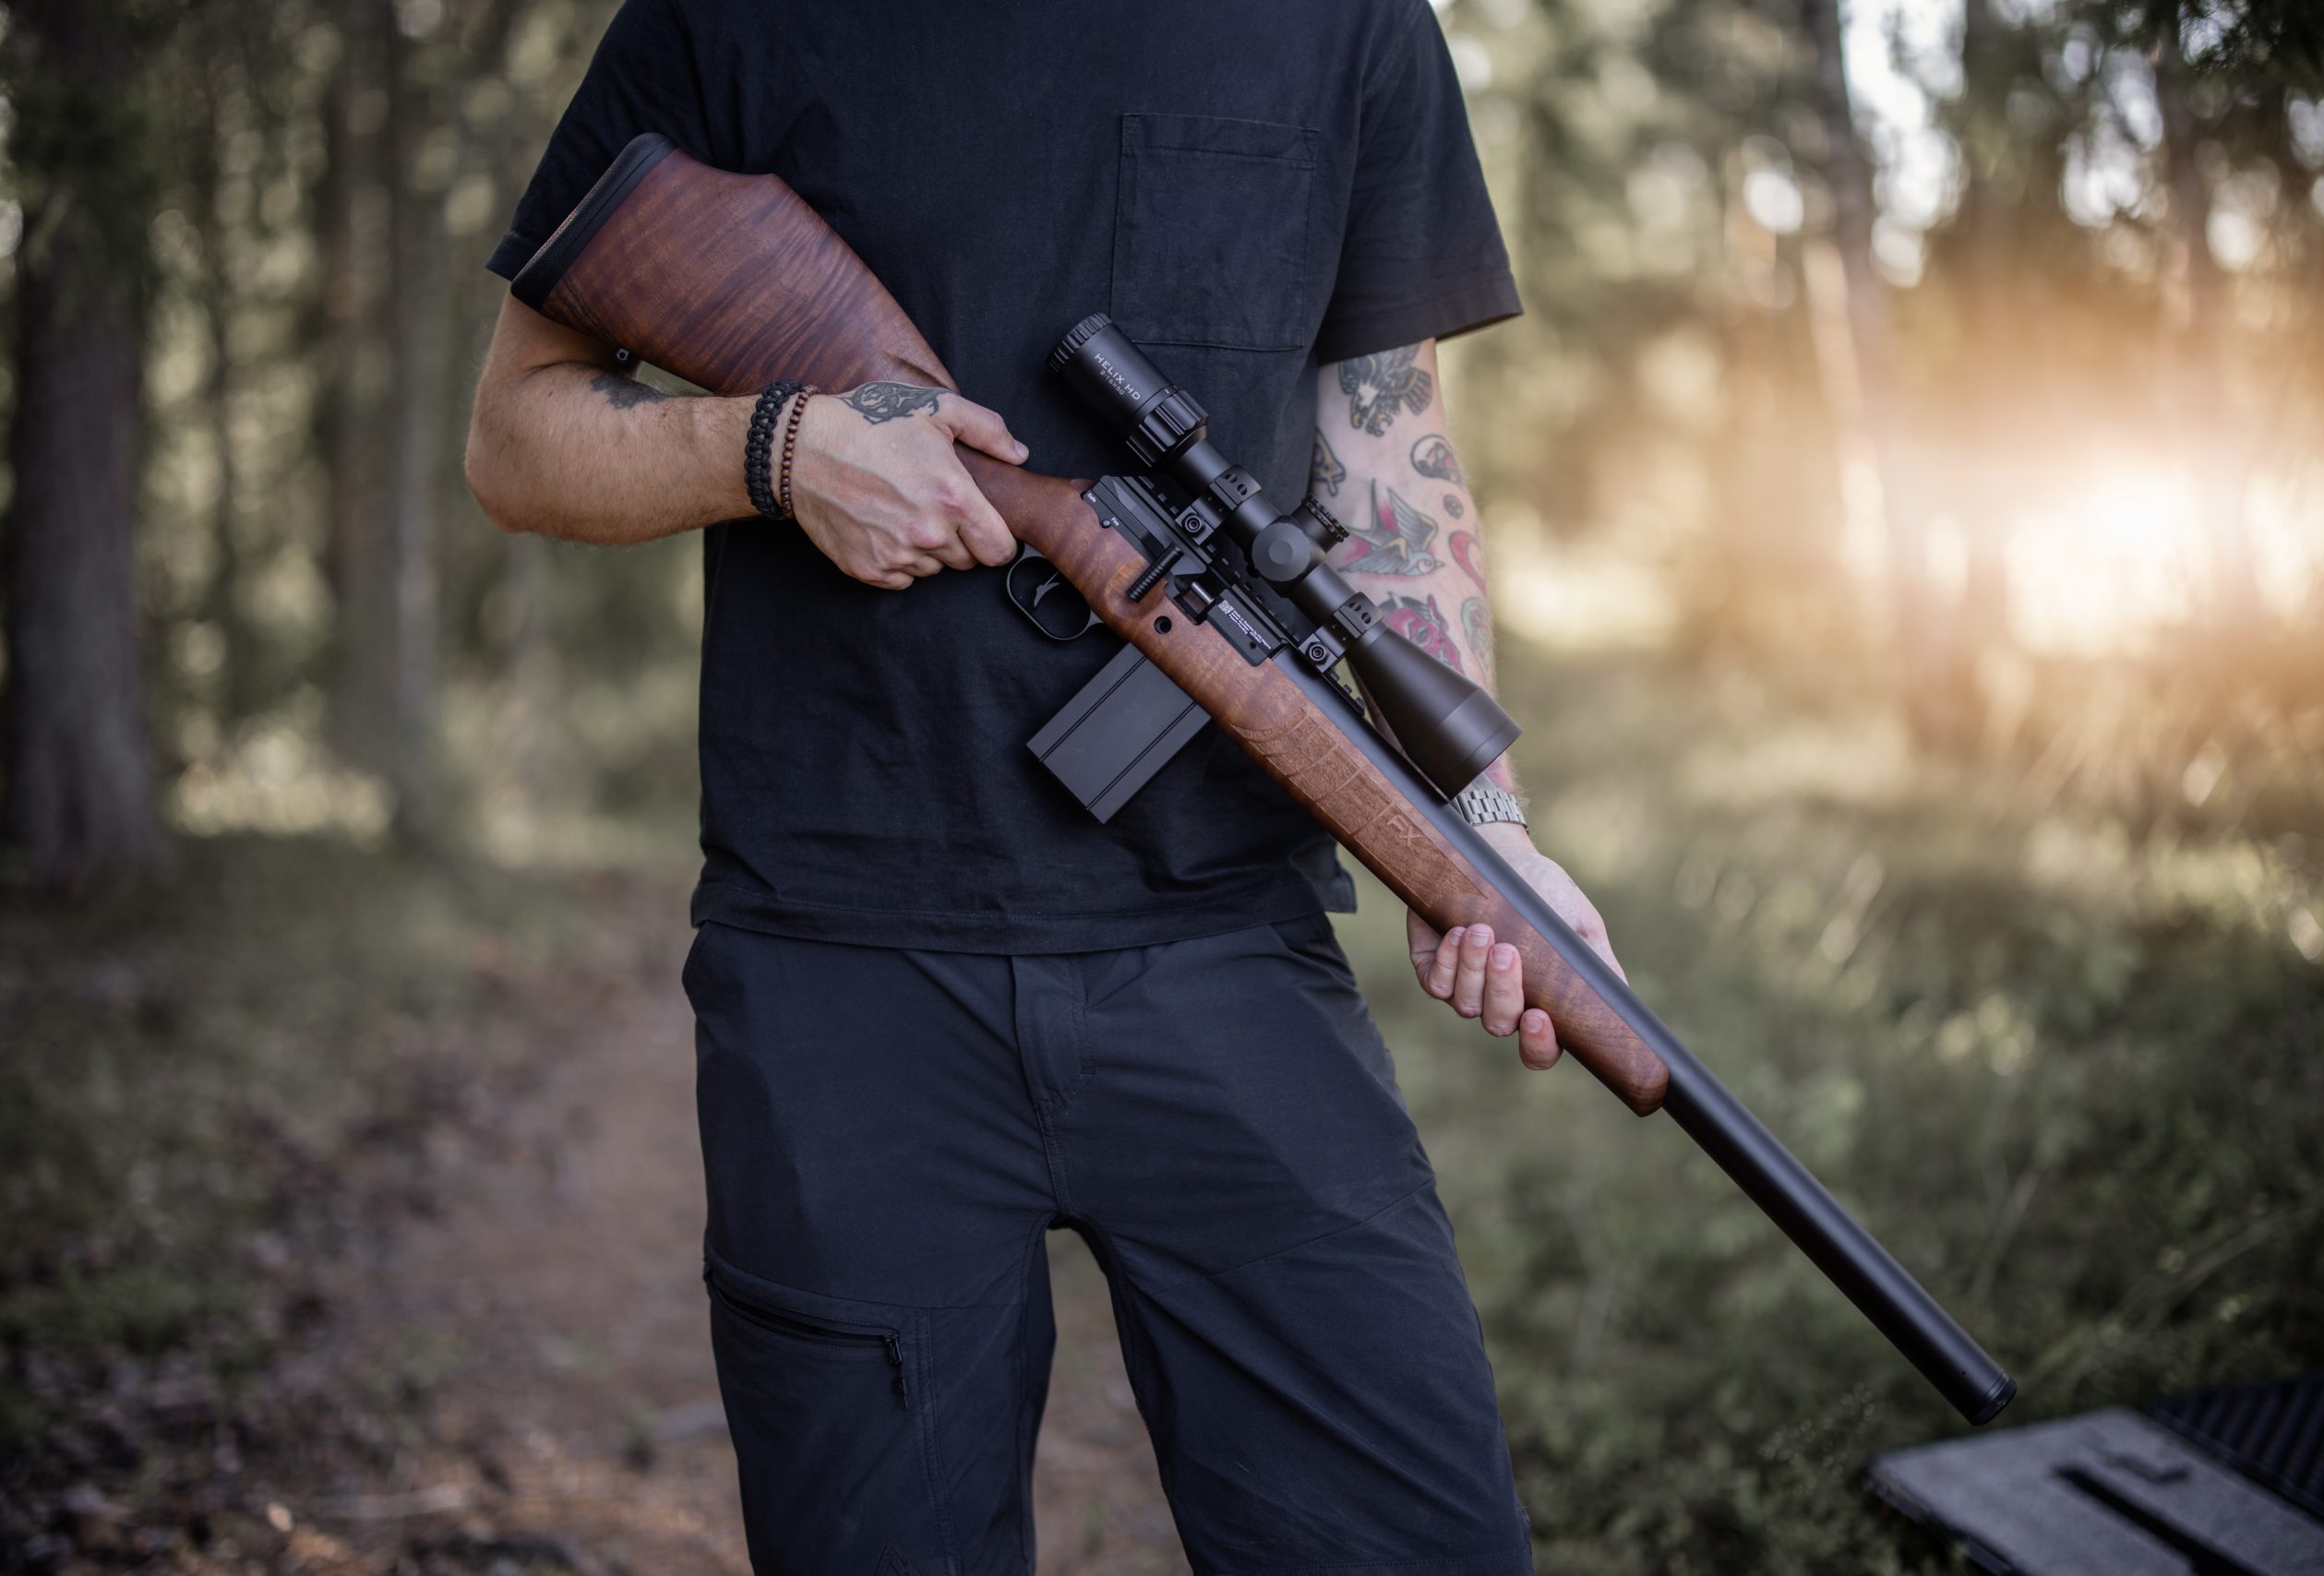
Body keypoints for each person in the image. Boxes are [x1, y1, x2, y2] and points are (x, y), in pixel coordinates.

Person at [464, 2, 1623, 1570]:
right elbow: (515, 442)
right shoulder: (727, 17)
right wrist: (777, 447)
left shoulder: (1349, 24)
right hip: (840, 976)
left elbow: (1391, 460)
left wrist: (1482, 833)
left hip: (1233, 945)